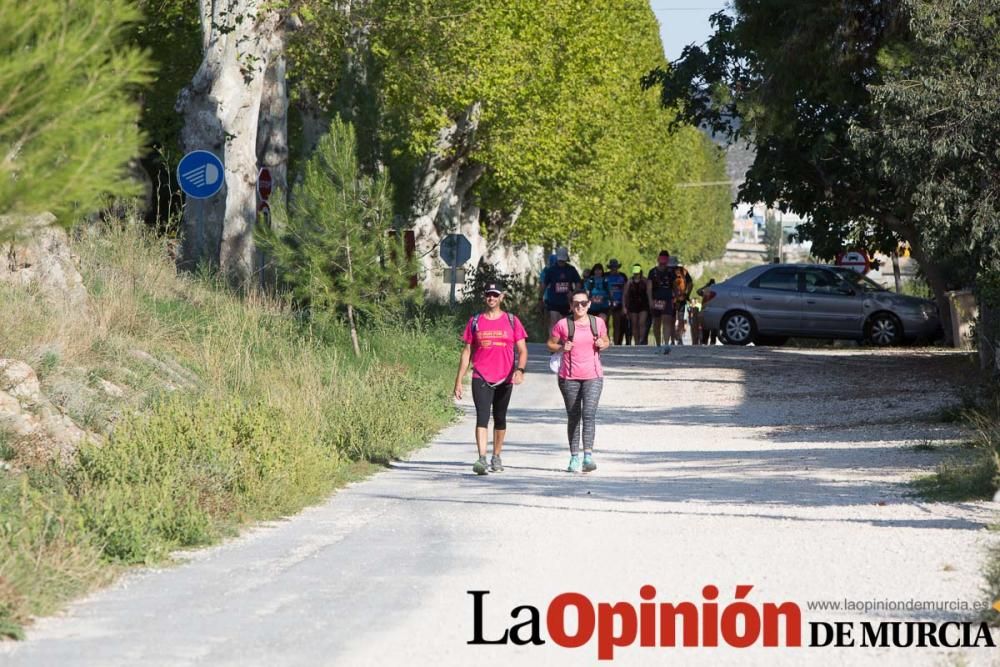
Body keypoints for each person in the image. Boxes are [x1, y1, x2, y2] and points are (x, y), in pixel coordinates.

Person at [455, 280, 529, 475]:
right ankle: (481, 458)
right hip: (481, 376)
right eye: (489, 294)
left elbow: (522, 350)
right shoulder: (475, 321)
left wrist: (520, 370)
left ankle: (496, 455)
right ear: (484, 296)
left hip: (505, 377)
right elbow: (466, 352)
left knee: (500, 417)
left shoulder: (512, 321)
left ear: (502, 297)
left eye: (495, 295)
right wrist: (458, 380)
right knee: (482, 417)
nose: (491, 298)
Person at [547, 289, 609, 473]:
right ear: (570, 305)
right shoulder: (563, 324)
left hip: (594, 376)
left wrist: (602, 344)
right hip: (569, 377)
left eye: (583, 303)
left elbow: (606, 340)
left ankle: (588, 456)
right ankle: (574, 457)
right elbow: (550, 344)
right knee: (574, 416)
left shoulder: (597, 323)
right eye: (576, 303)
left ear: (589, 304)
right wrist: (561, 347)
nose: (579, 306)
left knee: (589, 414)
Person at [540, 246, 581, 329]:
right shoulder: (551, 270)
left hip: (567, 302)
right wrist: (540, 298)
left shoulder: (571, 269)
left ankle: (563, 341)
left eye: (563, 260)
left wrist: (573, 294)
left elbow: (578, 283)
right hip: (553, 301)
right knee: (554, 322)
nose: (561, 262)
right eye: (560, 260)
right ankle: (552, 341)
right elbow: (544, 285)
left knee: (565, 325)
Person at [646, 251, 675, 347]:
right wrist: (650, 301)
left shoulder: (671, 272)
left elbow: (674, 286)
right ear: (658, 259)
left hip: (667, 299)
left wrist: (675, 298)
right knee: (657, 322)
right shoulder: (652, 272)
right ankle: (658, 344)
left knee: (666, 320)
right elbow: (649, 288)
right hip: (656, 300)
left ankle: (666, 344)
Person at [622, 264, 649, 345]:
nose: (636, 274)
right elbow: (625, 295)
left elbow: (649, 292)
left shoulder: (645, 281)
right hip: (633, 304)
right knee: (634, 323)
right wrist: (624, 307)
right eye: (635, 273)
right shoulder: (629, 282)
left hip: (643, 304)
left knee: (642, 322)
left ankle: (642, 339)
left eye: (638, 273)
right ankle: (637, 342)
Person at [669, 257, 694, 345]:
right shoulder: (683, 271)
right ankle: (679, 338)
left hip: (671, 299)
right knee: (680, 319)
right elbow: (691, 284)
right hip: (681, 299)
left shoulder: (667, 272)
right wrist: (687, 294)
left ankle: (671, 340)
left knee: (671, 319)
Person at [605, 259, 628, 345]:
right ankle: (606, 341)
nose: (614, 269)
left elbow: (625, 291)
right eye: (612, 267)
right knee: (605, 323)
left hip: (618, 303)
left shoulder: (622, 277)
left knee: (617, 324)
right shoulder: (605, 276)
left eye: (615, 267)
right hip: (607, 303)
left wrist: (624, 304)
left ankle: (616, 342)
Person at [696, 278, 719, 345]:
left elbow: (698, 291)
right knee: (712, 328)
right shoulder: (715, 292)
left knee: (706, 328)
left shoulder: (707, 291)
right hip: (713, 310)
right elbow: (698, 291)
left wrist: (705, 286)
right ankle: (711, 342)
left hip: (706, 310)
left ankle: (705, 342)